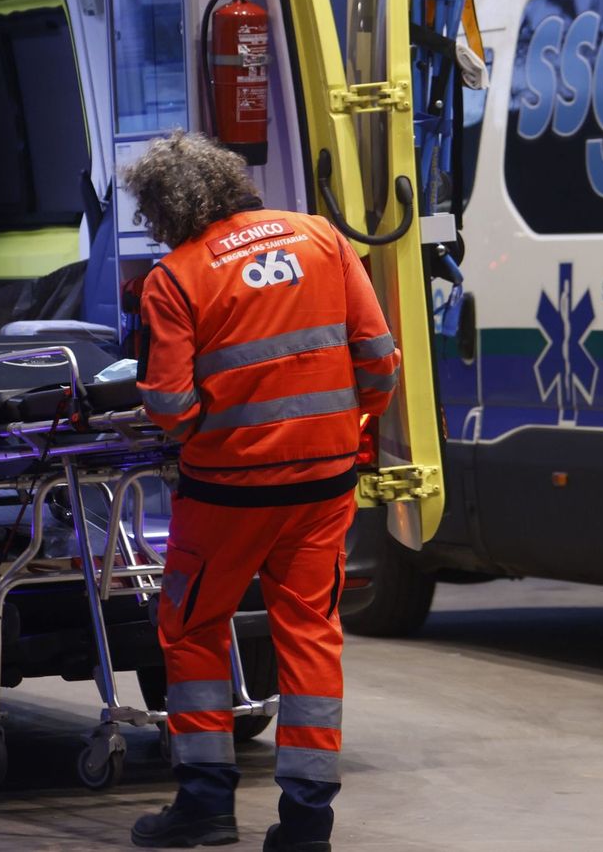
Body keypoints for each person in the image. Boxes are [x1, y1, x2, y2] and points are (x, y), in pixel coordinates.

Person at [122, 131, 401, 852]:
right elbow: (378, 360)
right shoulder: (324, 240)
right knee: (310, 634)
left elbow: (171, 408)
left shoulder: (176, 278)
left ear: (165, 210)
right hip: (326, 482)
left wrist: (211, 430)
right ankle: (307, 822)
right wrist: (340, 420)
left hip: (228, 497)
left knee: (191, 629)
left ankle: (206, 804)